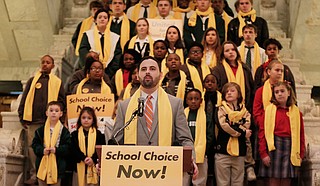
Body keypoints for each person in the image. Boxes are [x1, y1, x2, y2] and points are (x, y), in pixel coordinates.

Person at [111, 56, 198, 182]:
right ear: (137, 75)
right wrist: (105, 161)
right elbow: (115, 141)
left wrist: (191, 160)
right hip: (133, 173)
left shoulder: (175, 104)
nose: (147, 72)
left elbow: (185, 139)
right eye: (143, 69)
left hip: (165, 173)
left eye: (152, 69)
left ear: (161, 74)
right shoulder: (124, 106)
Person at [18, 55, 66, 185]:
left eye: (48, 62)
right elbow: (25, 98)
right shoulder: (32, 80)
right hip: (33, 120)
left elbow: (62, 101)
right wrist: (22, 115)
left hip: (50, 122)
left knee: (50, 147)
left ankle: (50, 173)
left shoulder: (57, 82)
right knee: (33, 148)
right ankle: (35, 173)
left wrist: (59, 115)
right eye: (43, 62)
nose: (45, 64)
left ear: (53, 65)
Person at [258, 82, 305, 186]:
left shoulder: (297, 113)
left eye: (282, 91)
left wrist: (301, 154)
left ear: (288, 92)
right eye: (276, 92)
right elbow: (262, 133)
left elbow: (301, 135)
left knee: (286, 181)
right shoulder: (268, 111)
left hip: (290, 148)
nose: (279, 94)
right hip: (273, 148)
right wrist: (263, 153)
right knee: (273, 182)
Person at [215, 82, 251, 186]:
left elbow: (247, 125)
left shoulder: (245, 111)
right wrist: (242, 132)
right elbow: (224, 126)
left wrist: (235, 126)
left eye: (232, 91)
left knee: (238, 182)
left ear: (239, 94)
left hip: (240, 152)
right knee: (222, 183)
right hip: (222, 151)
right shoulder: (220, 109)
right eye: (226, 91)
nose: (229, 93)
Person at [32, 101, 71, 186]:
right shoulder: (40, 131)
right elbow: (35, 145)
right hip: (42, 168)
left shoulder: (64, 131)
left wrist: (57, 150)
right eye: (51, 110)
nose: (54, 113)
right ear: (47, 113)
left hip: (58, 167)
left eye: (56, 111)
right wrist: (42, 150)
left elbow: (68, 147)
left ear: (61, 114)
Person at [79, 9, 122, 78]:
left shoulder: (115, 37)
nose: (102, 19)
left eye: (105, 18)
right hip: (91, 72)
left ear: (108, 21)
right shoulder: (88, 35)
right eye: (100, 17)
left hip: (109, 74)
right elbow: (83, 51)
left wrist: (109, 72)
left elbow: (117, 56)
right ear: (95, 20)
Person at [212, 41, 254, 111]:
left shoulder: (245, 68)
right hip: (224, 108)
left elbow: (250, 88)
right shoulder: (218, 70)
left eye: (233, 49)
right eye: (227, 51)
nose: (230, 52)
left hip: (244, 107)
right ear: (223, 54)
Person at [71, 107, 106, 186]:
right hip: (78, 167)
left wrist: (92, 159)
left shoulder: (99, 134)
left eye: (89, 118)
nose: (86, 120)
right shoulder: (74, 134)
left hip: (94, 168)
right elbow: (74, 149)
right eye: (83, 118)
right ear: (80, 119)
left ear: (93, 120)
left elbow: (100, 149)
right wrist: (84, 158)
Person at [184, 89, 212, 185]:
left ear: (201, 100)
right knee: (183, 181)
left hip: (201, 154)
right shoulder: (181, 115)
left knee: (199, 182)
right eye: (190, 99)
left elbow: (210, 135)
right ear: (186, 100)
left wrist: (204, 150)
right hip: (184, 153)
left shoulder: (206, 116)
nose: (193, 101)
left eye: (196, 99)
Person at [253, 60, 284, 128]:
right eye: (277, 70)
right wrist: (265, 122)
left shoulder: (286, 90)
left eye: (281, 71)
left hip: (283, 127)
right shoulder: (260, 91)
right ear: (269, 72)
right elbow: (257, 113)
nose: (280, 73)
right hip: (265, 126)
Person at [202, 74, 221, 186]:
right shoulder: (200, 98)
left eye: (212, 82)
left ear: (217, 85)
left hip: (216, 134)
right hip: (204, 133)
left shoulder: (221, 98)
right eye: (207, 81)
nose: (209, 84)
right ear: (203, 84)